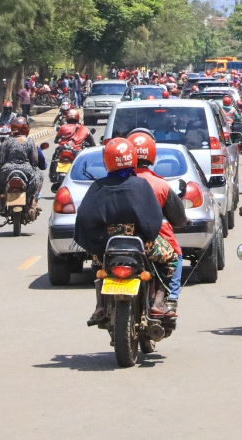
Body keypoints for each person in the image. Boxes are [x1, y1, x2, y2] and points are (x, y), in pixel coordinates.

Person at [77, 138, 177, 326]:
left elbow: (84, 217)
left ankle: (100, 305)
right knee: (171, 258)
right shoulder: (140, 185)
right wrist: (146, 236)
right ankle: (158, 302)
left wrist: (97, 243)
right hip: (141, 247)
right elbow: (153, 219)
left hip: (106, 249)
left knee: (98, 266)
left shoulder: (98, 187)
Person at [127, 130, 188, 318]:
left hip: (117, 237)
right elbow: (178, 219)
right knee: (176, 256)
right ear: (152, 155)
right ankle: (169, 300)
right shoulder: (160, 185)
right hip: (154, 238)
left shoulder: (114, 183)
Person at [0, 116, 45, 216]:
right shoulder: (30, 141)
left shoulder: (6, 141)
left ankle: (0, 205)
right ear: (25, 129)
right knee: (40, 176)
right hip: (27, 171)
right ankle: (34, 202)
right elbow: (34, 161)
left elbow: (1, 160)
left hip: (7, 171)